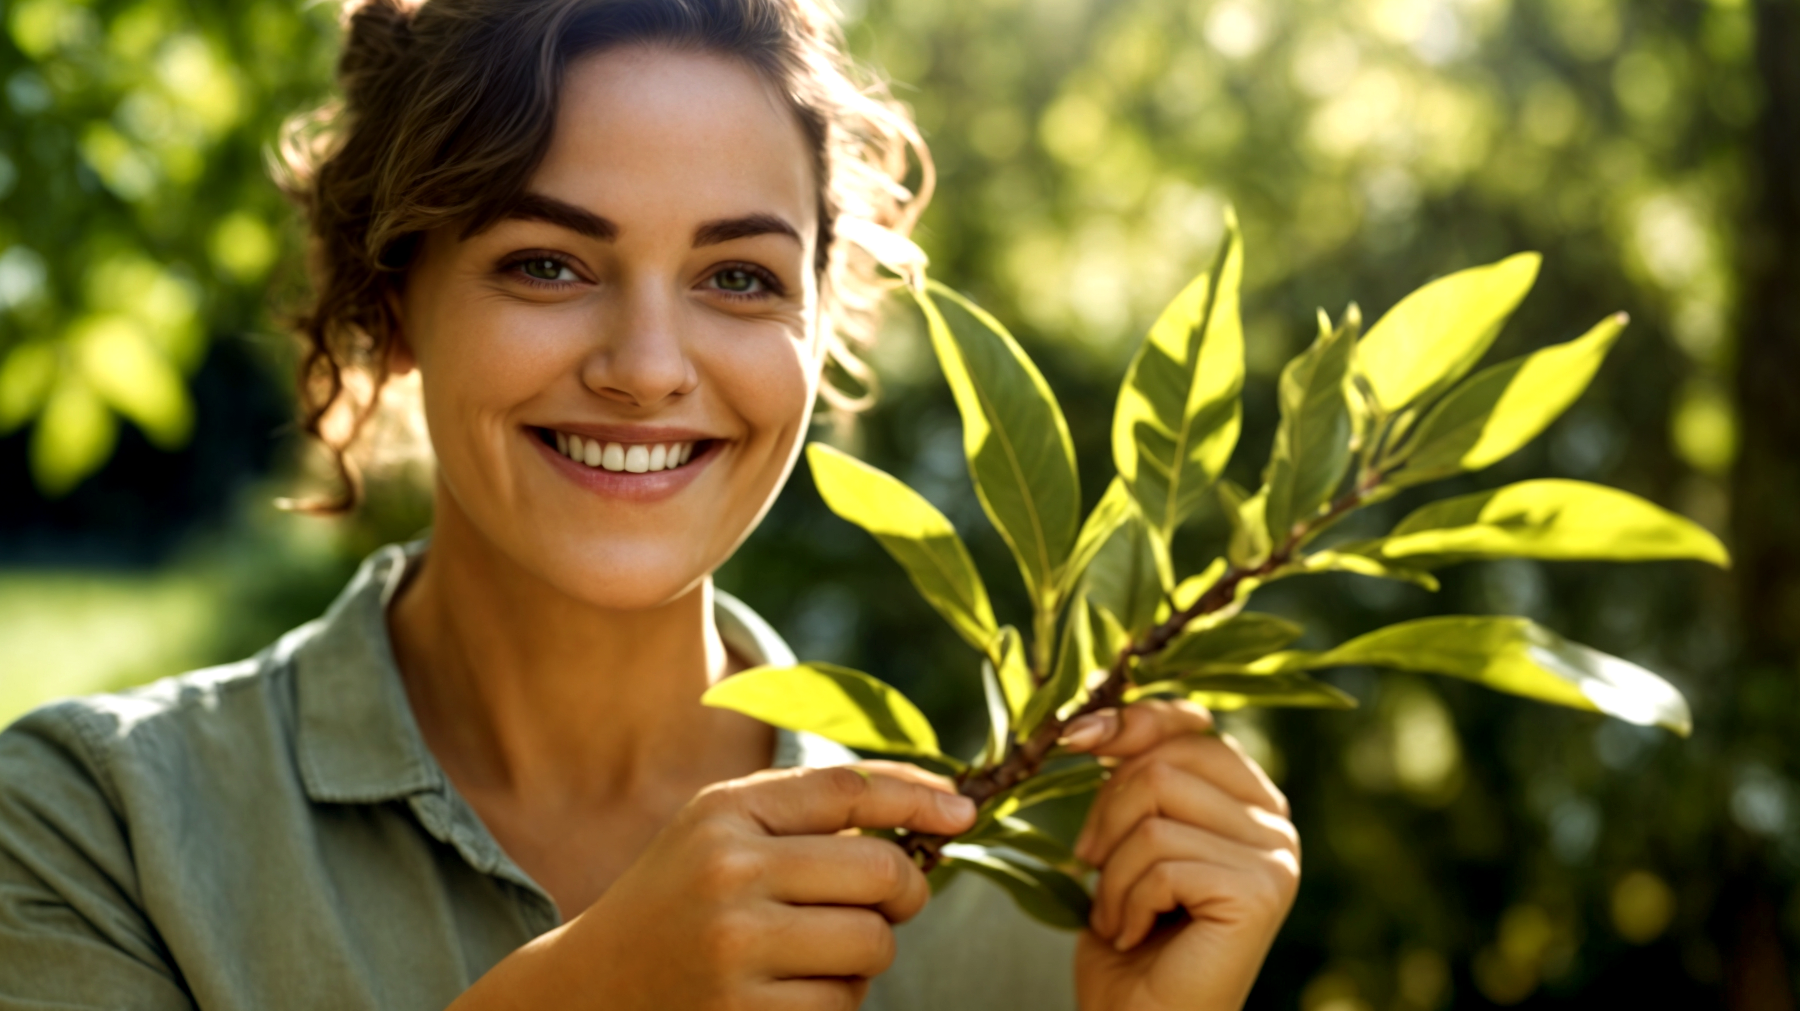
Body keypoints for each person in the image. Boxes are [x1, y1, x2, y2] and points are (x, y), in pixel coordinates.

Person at [0, 0, 1300, 1007]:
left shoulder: (1019, 920)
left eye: (737, 278)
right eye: (550, 263)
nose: (648, 368)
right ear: (396, 298)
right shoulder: (94, 827)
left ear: (817, 318)